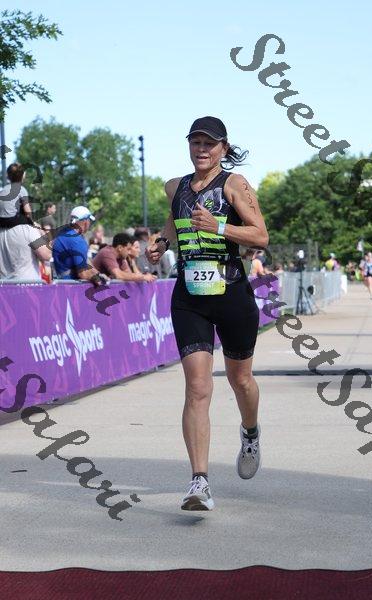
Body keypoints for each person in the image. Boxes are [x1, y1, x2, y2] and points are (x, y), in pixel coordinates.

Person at [146, 116, 269, 511]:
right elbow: (174, 219)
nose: (201, 149)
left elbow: (260, 235)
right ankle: (199, 482)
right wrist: (162, 242)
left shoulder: (235, 185)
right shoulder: (175, 186)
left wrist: (219, 227)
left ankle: (250, 432)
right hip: (190, 296)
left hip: (231, 293)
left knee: (240, 380)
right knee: (198, 387)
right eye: (195, 142)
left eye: (209, 144)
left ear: (223, 148)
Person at [52, 205, 105, 285]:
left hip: (60, 283)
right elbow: (83, 274)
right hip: (71, 287)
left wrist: (98, 274)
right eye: (89, 221)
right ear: (86, 222)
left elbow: (86, 262)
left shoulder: (63, 235)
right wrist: (99, 279)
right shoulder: (77, 241)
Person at [0, 163, 33, 227]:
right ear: (22, 176)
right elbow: (27, 211)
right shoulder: (21, 189)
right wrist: (32, 221)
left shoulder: (4, 189)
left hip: (1, 220)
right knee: (27, 216)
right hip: (11, 220)